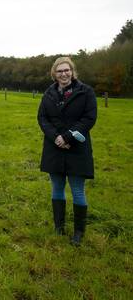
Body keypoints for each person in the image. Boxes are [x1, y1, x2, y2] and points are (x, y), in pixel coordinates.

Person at [38, 56, 97, 246]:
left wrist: (67, 137)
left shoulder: (86, 92)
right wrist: (56, 137)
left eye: (67, 70)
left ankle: (78, 232)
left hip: (77, 148)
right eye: (59, 71)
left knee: (78, 190)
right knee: (57, 187)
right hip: (54, 147)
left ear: (72, 71)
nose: (63, 74)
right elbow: (42, 118)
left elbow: (89, 118)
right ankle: (59, 227)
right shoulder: (48, 94)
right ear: (54, 74)